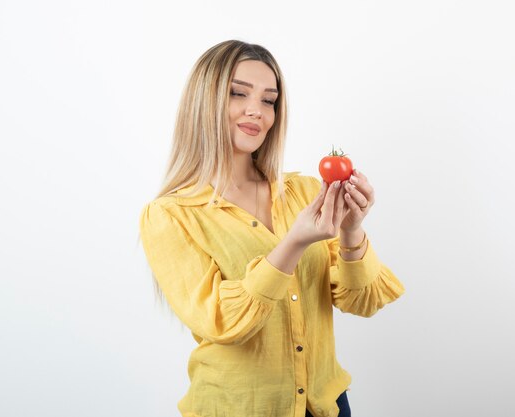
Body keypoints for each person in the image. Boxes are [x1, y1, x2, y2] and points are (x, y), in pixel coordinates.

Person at [138, 39, 405, 417]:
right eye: (238, 93)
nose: (257, 111)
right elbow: (223, 322)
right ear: (204, 101)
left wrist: (351, 231)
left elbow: (361, 302)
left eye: (269, 100)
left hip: (327, 407)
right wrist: (293, 244)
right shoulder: (170, 215)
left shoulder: (306, 193)